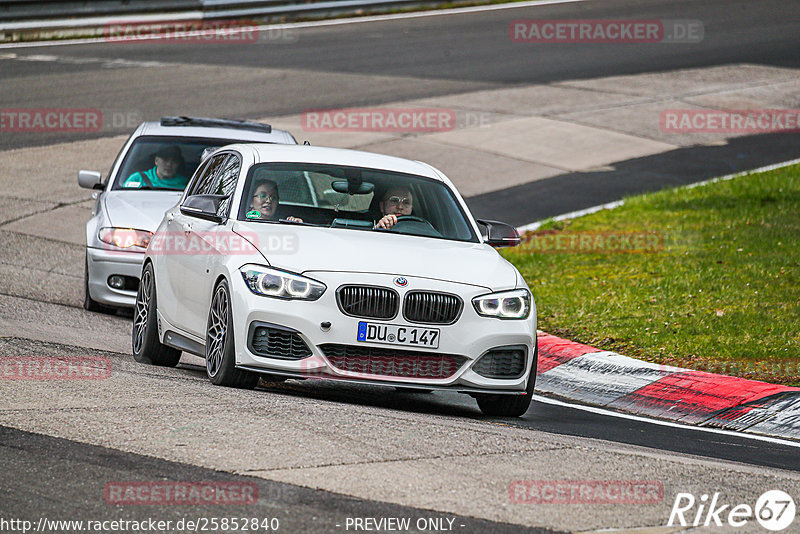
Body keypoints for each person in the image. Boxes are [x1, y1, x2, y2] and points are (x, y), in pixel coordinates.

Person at [123, 145, 188, 189]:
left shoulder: (186, 185)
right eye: (165, 160)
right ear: (156, 161)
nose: (169, 164)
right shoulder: (137, 178)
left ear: (179, 163)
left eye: (174, 161)